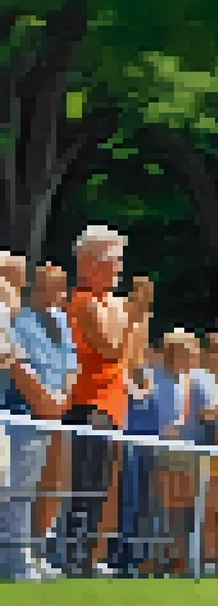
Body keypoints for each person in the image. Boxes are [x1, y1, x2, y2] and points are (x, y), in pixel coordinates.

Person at [64, 226, 150, 577]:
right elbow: (110, 346)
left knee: (103, 487)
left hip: (113, 406)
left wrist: (140, 315)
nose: (118, 269)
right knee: (85, 484)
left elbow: (132, 356)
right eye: (112, 262)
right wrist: (134, 312)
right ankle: (74, 557)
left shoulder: (114, 305)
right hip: (87, 405)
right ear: (88, 263)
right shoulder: (83, 301)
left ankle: (89, 557)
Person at [4, 261, 77, 581]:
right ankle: (18, 561)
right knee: (15, 490)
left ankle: (35, 553)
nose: (57, 293)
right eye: (49, 286)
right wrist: (46, 400)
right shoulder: (17, 317)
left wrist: (61, 400)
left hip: (54, 414)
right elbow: (16, 364)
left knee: (45, 487)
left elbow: (71, 366)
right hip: (23, 412)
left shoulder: (62, 321)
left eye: (60, 287)